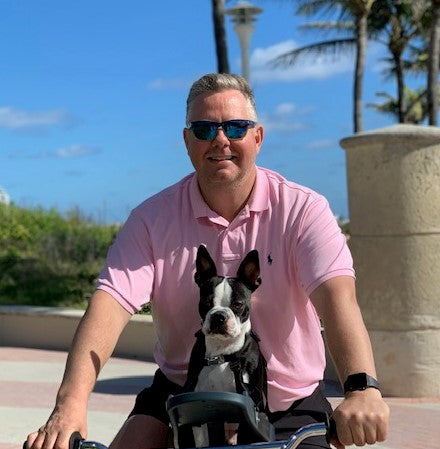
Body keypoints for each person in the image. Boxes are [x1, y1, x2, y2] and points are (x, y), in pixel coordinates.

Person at [26, 73, 389, 449]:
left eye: (235, 127)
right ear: (187, 142)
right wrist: (69, 405)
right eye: (204, 129)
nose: (220, 140)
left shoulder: (303, 211)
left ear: (257, 138)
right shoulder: (151, 220)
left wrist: (362, 389)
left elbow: (337, 300)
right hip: (180, 396)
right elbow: (108, 306)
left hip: (285, 402)